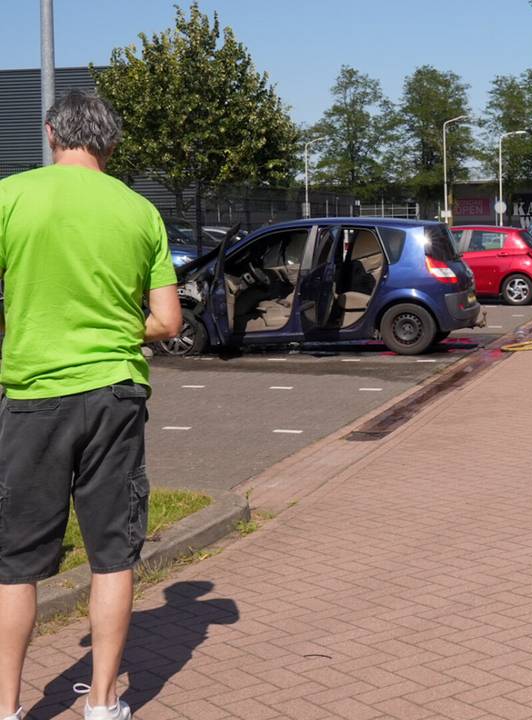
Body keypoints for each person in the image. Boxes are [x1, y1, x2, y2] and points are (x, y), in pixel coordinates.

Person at [0, 91, 182, 720]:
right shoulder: (139, 211)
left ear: (51, 133)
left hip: (33, 395)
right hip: (114, 394)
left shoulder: (10, 197)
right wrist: (112, 330)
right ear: (111, 142)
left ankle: (7, 707)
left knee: (15, 563)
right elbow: (167, 321)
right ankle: (103, 703)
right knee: (111, 554)